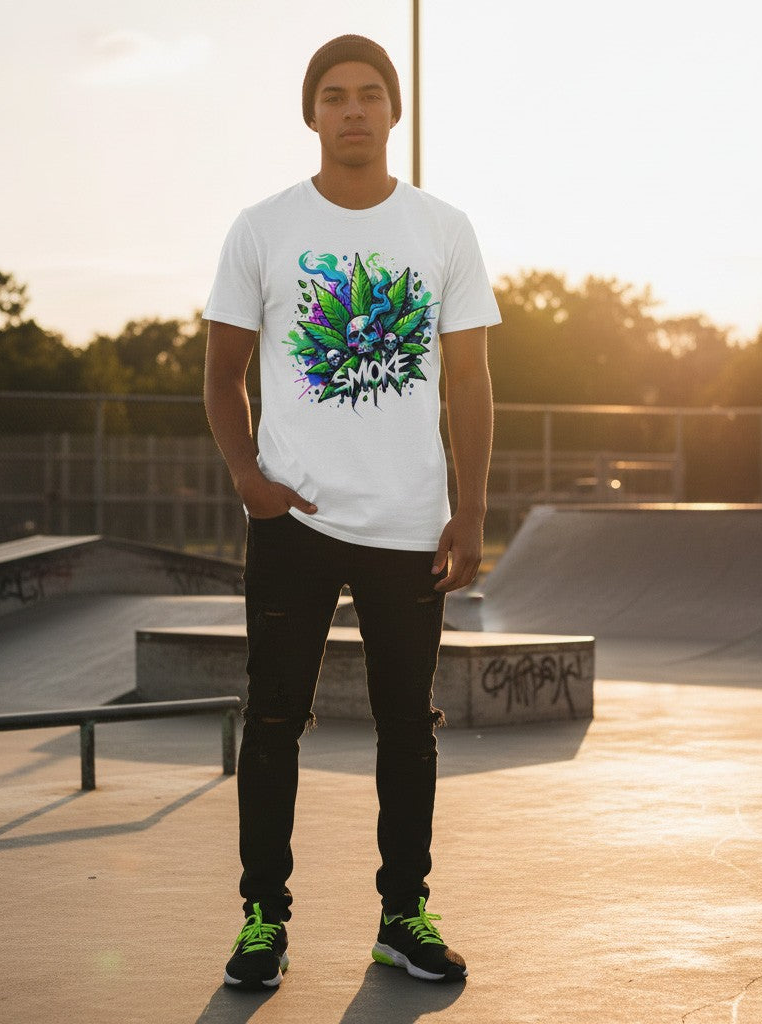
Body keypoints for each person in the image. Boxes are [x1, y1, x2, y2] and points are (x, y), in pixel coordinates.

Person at [203, 34, 500, 990]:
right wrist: (248, 475)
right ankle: (263, 920)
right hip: (294, 520)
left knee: (407, 727)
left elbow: (473, 385)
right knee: (276, 719)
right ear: (312, 114)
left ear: (393, 111)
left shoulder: (443, 228)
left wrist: (471, 511)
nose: (354, 110)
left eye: (370, 94)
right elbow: (220, 372)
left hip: (411, 522)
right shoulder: (263, 226)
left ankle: (402, 914)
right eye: (334, 96)